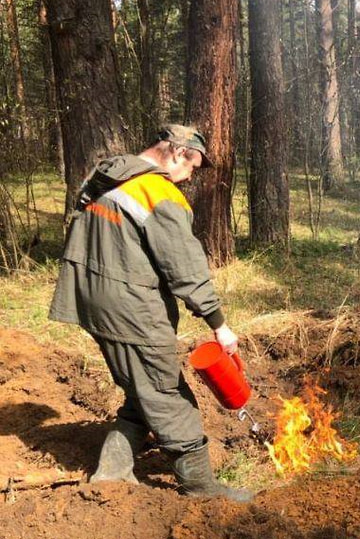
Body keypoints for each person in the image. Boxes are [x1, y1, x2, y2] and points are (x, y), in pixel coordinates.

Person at [48, 124, 252, 502]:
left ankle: (111, 474)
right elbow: (186, 270)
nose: (190, 177)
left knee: (140, 391)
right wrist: (219, 325)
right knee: (166, 391)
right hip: (131, 309)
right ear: (176, 153)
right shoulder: (157, 192)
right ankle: (202, 489)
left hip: (92, 300)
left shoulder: (107, 177)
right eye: (192, 166)